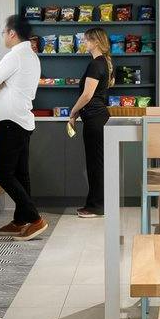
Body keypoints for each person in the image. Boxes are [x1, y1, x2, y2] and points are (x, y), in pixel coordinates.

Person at [0, 14, 45, 238]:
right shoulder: (31, 55)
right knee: (21, 174)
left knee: (2, 174)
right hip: (23, 119)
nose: (3, 36)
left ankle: (34, 218)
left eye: (4, 32)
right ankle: (21, 220)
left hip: (10, 120)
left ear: (12, 33)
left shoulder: (14, 55)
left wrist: (1, 86)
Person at [67, 25, 112, 218]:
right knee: (97, 163)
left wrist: (73, 112)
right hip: (99, 117)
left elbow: (87, 95)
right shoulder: (107, 63)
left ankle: (96, 206)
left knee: (96, 164)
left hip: (94, 119)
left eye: (86, 40)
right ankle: (95, 204)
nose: (84, 43)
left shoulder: (96, 64)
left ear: (95, 42)